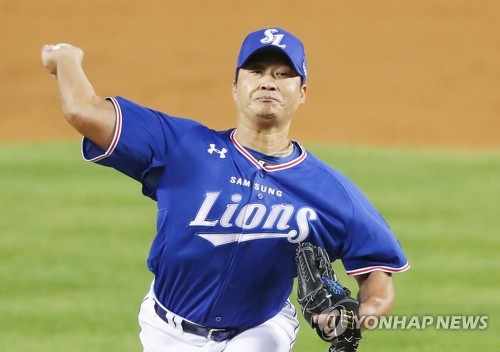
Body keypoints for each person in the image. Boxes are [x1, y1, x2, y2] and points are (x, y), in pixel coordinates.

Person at [41, 27, 409, 352]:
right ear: (235, 86)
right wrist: (66, 59)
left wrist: (363, 313)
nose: (268, 82)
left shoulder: (330, 192)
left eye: (283, 75)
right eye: (256, 71)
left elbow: (377, 271)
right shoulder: (182, 146)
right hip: (165, 330)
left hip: (261, 330)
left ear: (303, 92)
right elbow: (82, 111)